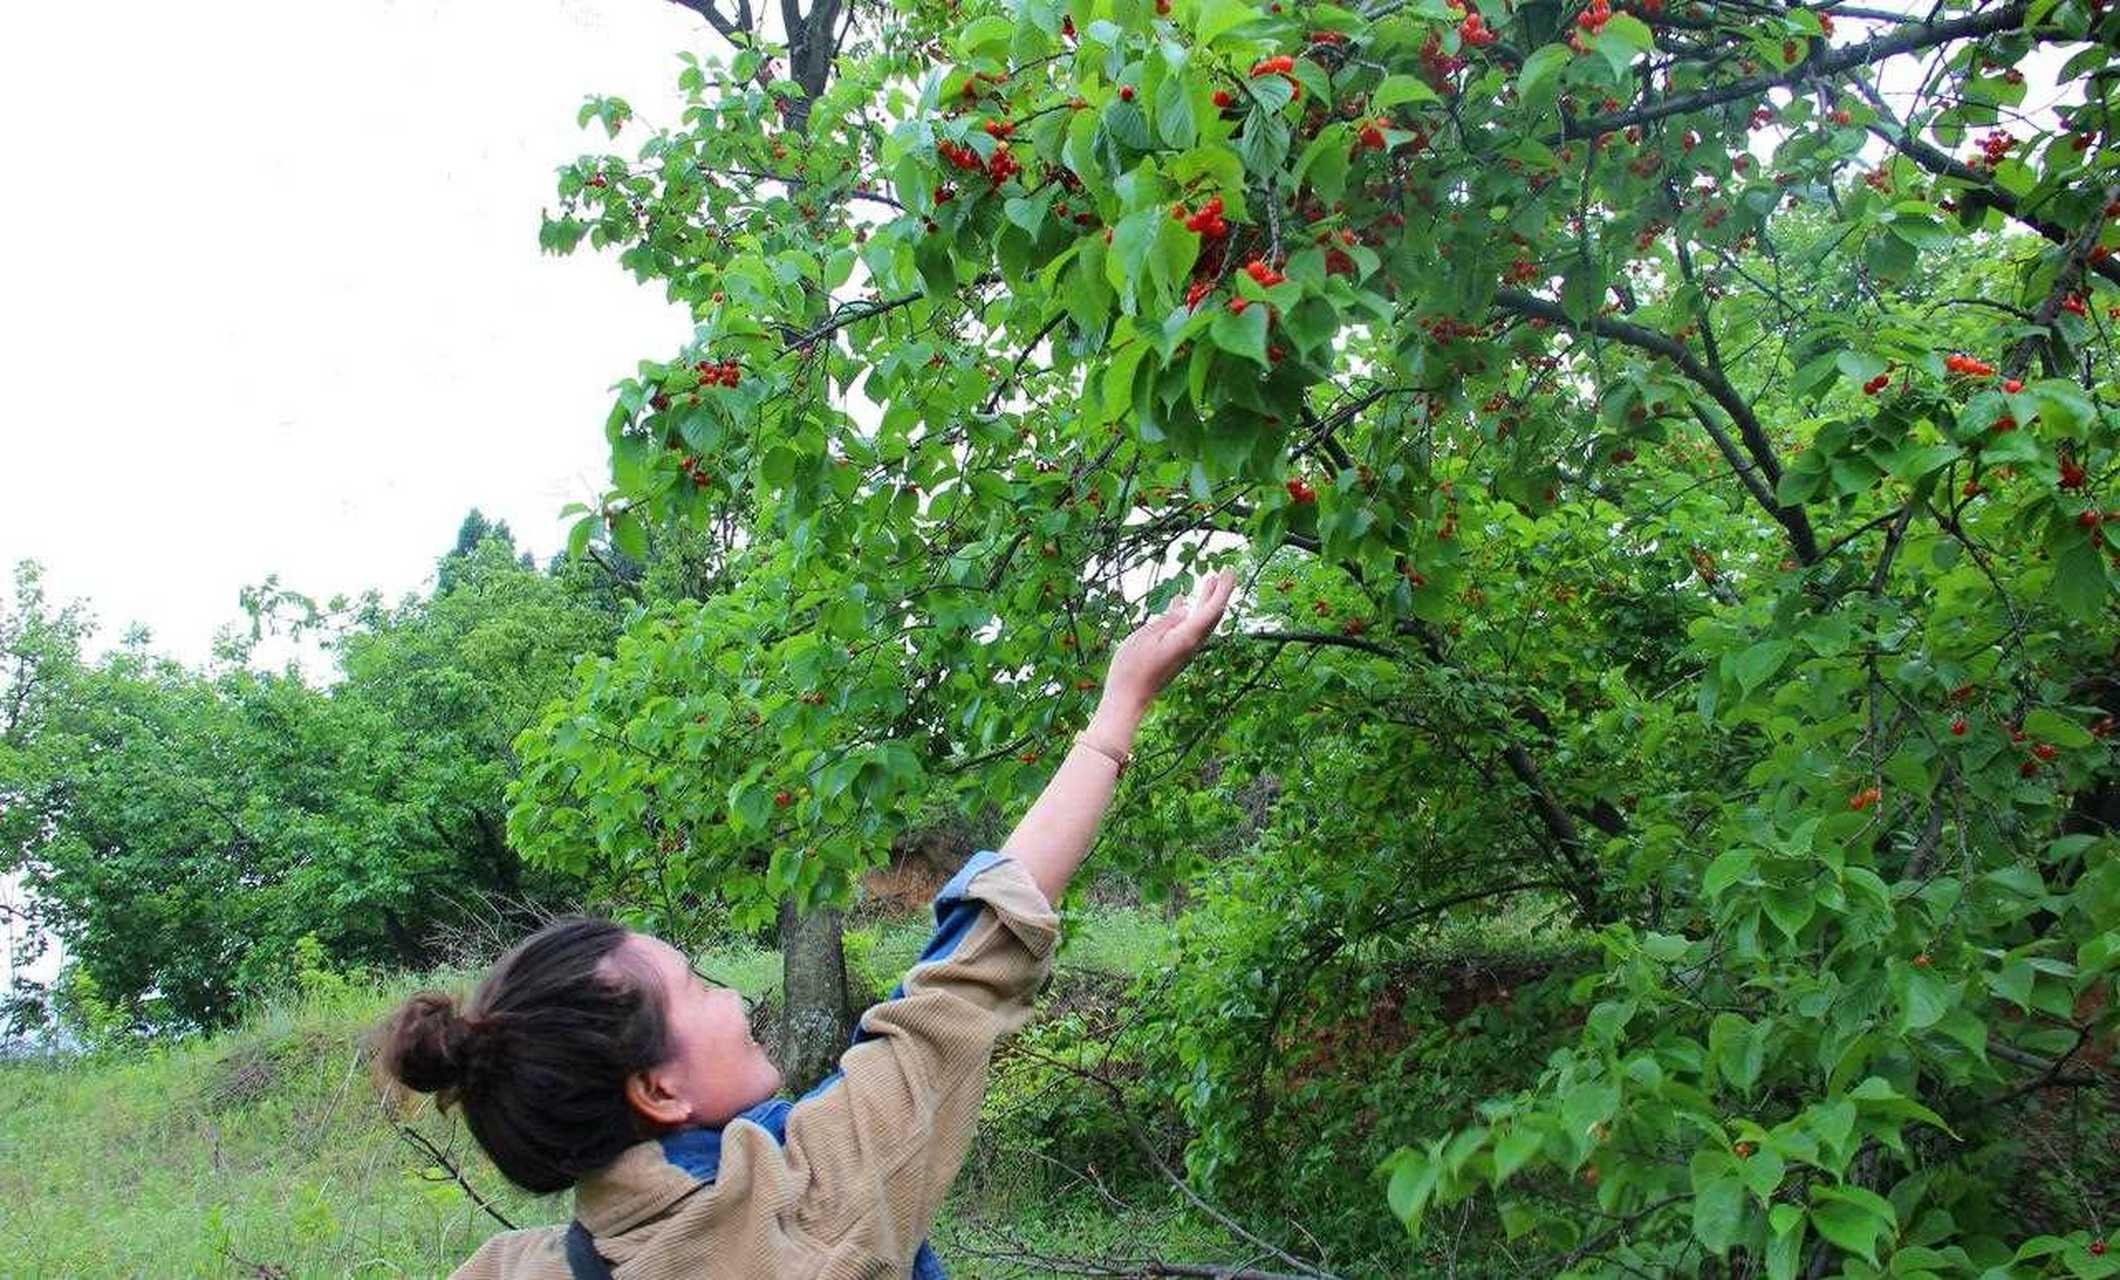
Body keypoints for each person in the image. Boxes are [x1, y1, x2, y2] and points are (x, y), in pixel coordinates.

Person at [374, 569, 1238, 1279]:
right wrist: (1118, 709)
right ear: (658, 1091)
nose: (731, 1000)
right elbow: (973, 960)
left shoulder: (505, 1270)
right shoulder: (822, 1203)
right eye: (695, 986)